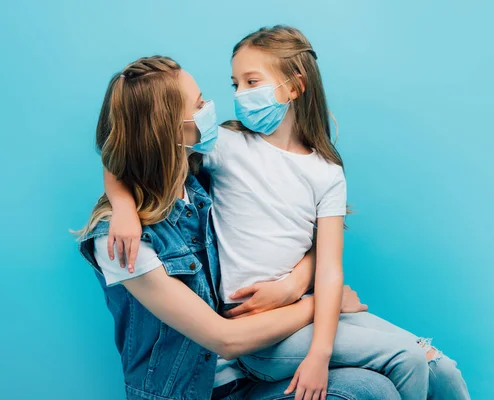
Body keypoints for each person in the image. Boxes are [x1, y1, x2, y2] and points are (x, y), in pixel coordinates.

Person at [107, 26, 470, 400]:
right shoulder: (226, 147)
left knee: (441, 370)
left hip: (301, 309)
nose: (238, 96)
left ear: (295, 87)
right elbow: (136, 149)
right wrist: (121, 204)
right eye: (235, 85)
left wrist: (307, 316)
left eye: (251, 81)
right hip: (256, 330)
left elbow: (329, 266)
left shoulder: (326, 171)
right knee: (406, 360)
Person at [77, 56, 400, 400]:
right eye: (199, 105)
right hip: (196, 392)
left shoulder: (195, 178)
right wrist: (322, 305)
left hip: (250, 374)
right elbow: (224, 339)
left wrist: (294, 285)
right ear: (168, 130)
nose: (210, 108)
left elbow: (122, 157)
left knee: (376, 389)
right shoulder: (120, 243)